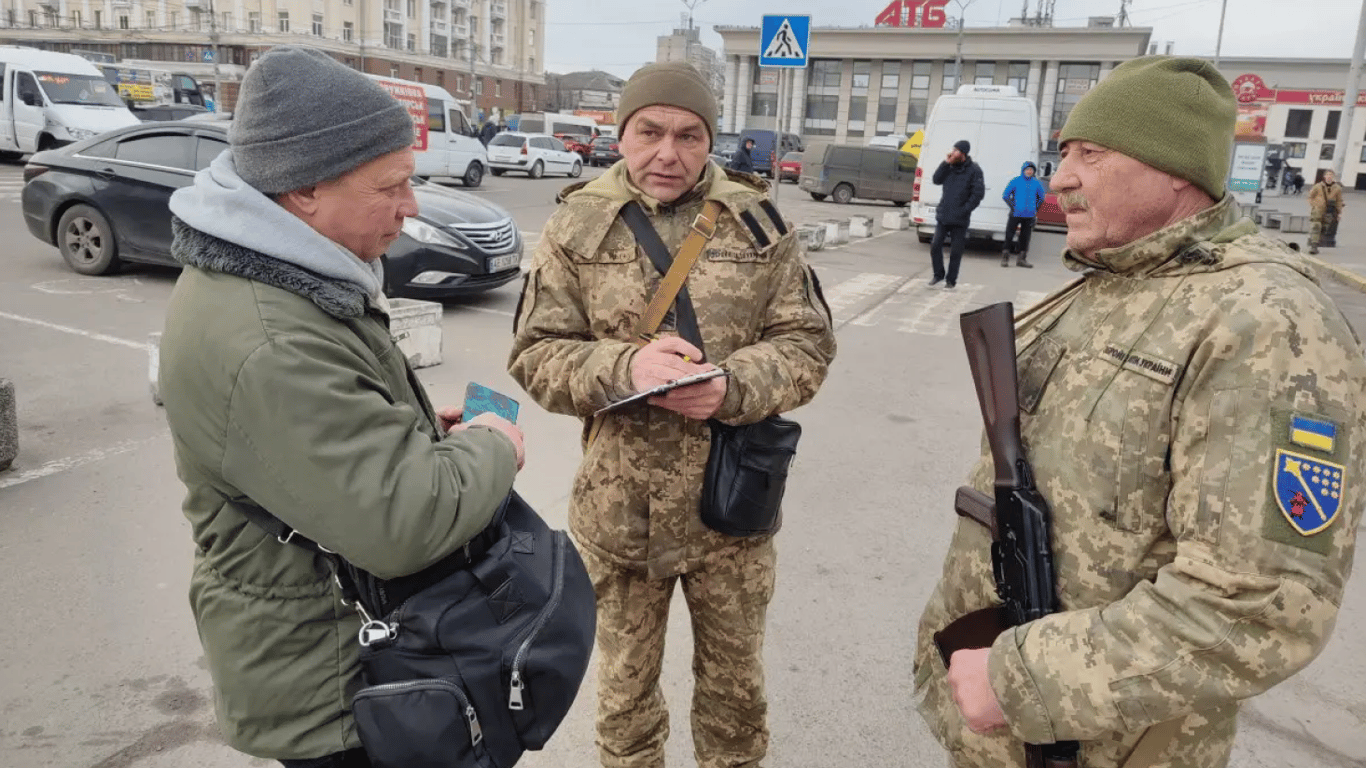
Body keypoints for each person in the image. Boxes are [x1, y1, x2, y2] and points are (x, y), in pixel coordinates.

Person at [914, 56, 1366, 768]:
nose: (1062, 176)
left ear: (1175, 168)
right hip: (1011, 724)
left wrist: (1022, 676)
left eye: (1091, 154)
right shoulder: (1112, 282)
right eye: (1064, 152)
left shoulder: (1266, 323)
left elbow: (1262, 604)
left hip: (1105, 744)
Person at [157, 46, 526, 768]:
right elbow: (400, 523)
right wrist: (491, 447)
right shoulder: (268, 337)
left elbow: (322, 443)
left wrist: (417, 436)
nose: (411, 206)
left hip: (340, 646)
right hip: (333, 686)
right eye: (392, 185)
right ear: (303, 192)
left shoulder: (286, 276)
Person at [507, 61, 836, 768]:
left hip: (732, 513)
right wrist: (622, 368)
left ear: (710, 140)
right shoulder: (575, 223)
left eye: (689, 135)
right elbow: (535, 354)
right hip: (618, 514)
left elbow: (807, 343)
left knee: (735, 696)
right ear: (621, 133)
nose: (668, 152)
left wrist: (733, 386)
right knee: (624, 699)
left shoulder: (757, 221)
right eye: (649, 131)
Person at [928, 139, 985, 289]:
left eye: (956, 151)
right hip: (944, 215)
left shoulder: (974, 170)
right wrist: (945, 163)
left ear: (963, 153)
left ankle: (950, 280)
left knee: (956, 252)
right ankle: (938, 274)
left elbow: (978, 194)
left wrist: (965, 209)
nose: (952, 153)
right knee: (935, 246)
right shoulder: (949, 166)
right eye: (953, 150)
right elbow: (936, 180)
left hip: (960, 218)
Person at [999, 161, 1045, 268]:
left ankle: (1021, 259)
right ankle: (1005, 258)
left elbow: (1041, 198)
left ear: (1034, 172)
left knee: (1025, 238)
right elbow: (1006, 195)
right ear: (1023, 170)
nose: (1029, 172)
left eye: (1031, 170)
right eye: (1027, 169)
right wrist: (1013, 206)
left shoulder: (1036, 183)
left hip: (1029, 216)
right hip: (1015, 214)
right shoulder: (1015, 181)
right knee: (1009, 236)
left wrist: (1035, 209)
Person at [1308, 169, 1345, 254]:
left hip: (1329, 211)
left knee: (1324, 229)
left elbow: (1339, 201)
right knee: (1316, 226)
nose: (1329, 176)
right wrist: (1315, 204)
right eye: (1327, 175)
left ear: (1333, 177)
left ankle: (1316, 241)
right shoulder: (1318, 186)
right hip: (1318, 210)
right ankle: (1314, 246)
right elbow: (1310, 197)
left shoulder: (1337, 188)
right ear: (1324, 176)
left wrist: (1339, 213)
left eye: (1331, 175)